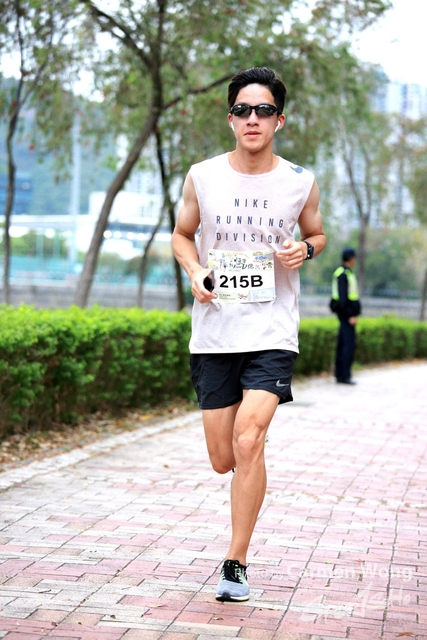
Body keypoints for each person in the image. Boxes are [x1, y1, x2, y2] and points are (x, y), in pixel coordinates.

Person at [172, 66, 326, 602]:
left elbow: (317, 233)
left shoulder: (300, 180)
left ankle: (235, 562)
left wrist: (304, 250)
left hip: (272, 330)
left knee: (248, 438)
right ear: (230, 118)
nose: (252, 119)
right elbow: (182, 234)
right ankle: (247, 473)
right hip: (216, 332)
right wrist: (195, 270)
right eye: (242, 110)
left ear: (279, 120)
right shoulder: (203, 176)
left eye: (263, 110)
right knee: (224, 458)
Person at [330, 247, 361, 385]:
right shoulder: (342, 274)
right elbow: (343, 298)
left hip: (344, 313)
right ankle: (344, 375)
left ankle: (340, 375)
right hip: (346, 314)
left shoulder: (346, 272)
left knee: (343, 343)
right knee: (348, 345)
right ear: (350, 258)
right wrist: (351, 315)